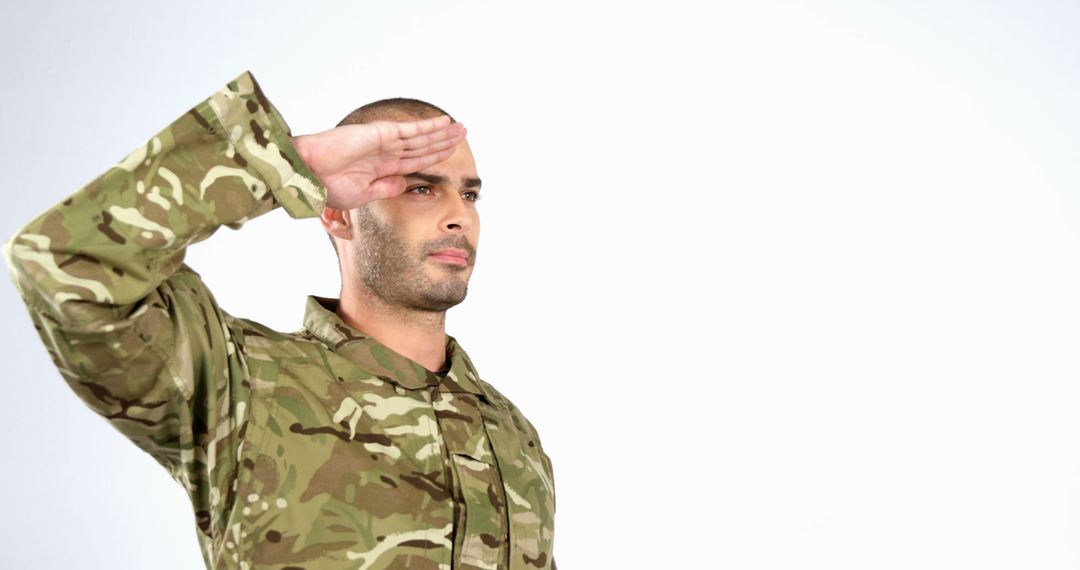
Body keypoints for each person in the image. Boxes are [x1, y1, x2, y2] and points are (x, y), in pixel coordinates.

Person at [4, 70, 555, 570]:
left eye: (470, 194)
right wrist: (290, 164)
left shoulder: (512, 434)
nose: (460, 214)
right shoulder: (239, 383)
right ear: (339, 213)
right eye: (420, 188)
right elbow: (62, 260)